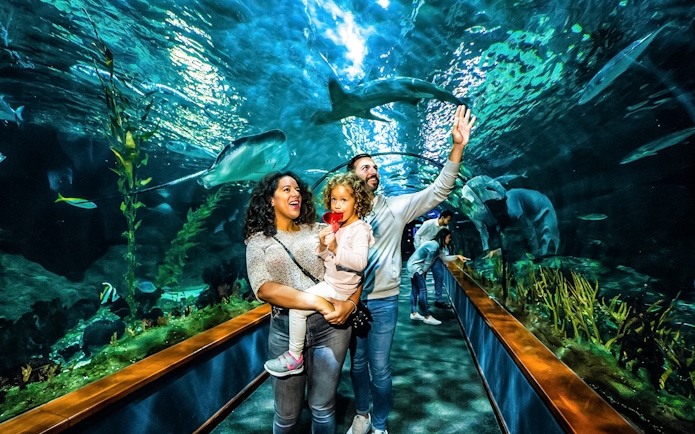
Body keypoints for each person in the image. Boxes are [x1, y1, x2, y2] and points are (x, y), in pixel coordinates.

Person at [345, 105, 476, 434]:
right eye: (365, 167)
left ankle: (379, 425)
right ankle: (361, 414)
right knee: (357, 365)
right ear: (351, 178)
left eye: (375, 166)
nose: (373, 170)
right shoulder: (340, 213)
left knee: (379, 367)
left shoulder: (396, 207)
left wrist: (457, 147)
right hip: (348, 301)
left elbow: (438, 191)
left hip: (384, 302)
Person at [244, 171, 359, 434]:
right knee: (286, 414)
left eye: (297, 189)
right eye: (286, 189)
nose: (295, 193)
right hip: (285, 328)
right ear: (270, 199)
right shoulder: (258, 241)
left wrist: (351, 304)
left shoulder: (321, 230)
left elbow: (353, 271)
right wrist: (316, 301)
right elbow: (263, 287)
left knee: (322, 407)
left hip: (330, 328)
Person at [264, 172, 375, 377]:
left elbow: (360, 263)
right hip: (331, 283)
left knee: (298, 309)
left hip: (340, 289)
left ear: (357, 202)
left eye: (344, 200)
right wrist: (324, 246)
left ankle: (295, 357)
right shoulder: (339, 227)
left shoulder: (360, 229)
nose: (337, 205)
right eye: (333, 199)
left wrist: (334, 248)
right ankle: (296, 354)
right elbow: (327, 259)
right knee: (302, 302)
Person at [408, 228, 469, 325]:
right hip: (416, 267)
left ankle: (414, 312)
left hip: (411, 265)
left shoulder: (436, 246)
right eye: (448, 237)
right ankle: (426, 316)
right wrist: (423, 272)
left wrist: (457, 256)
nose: (449, 240)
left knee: (415, 289)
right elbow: (428, 261)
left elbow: (444, 258)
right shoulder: (434, 246)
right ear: (443, 237)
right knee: (423, 290)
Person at [413, 209, 454, 308]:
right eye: (448, 220)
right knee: (422, 277)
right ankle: (422, 300)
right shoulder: (428, 224)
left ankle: (438, 300)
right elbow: (417, 235)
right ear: (442, 217)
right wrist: (419, 250)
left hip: (436, 255)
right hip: (425, 254)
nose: (448, 222)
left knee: (439, 276)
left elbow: (444, 242)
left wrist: (444, 255)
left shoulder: (445, 228)